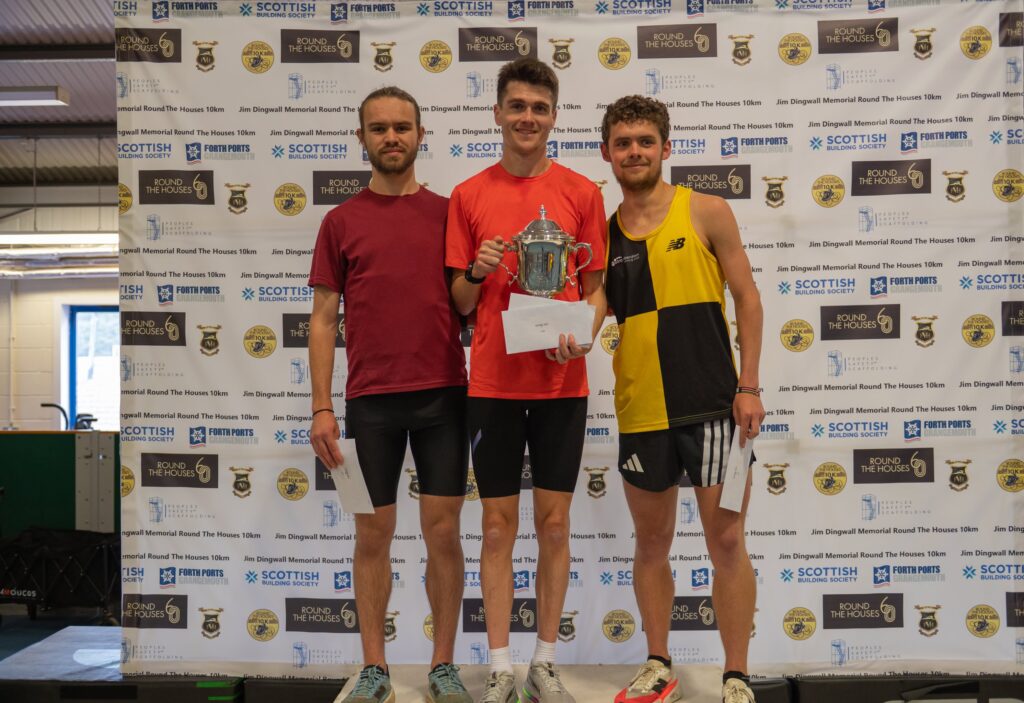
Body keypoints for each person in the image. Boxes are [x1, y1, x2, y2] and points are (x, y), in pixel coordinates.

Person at [445, 58, 607, 703]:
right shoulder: (468, 195)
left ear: (554, 116)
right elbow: (459, 302)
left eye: (539, 108)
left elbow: (595, 290)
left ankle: (544, 660)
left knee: (556, 526)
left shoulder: (582, 192)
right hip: (492, 384)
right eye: (517, 106)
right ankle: (500, 664)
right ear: (497, 113)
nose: (528, 118)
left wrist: (586, 332)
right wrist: (478, 272)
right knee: (495, 528)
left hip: (562, 384)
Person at [599, 95, 765, 703]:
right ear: (607, 153)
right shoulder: (603, 231)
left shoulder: (705, 209)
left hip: (714, 406)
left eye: (645, 141)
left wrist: (749, 385)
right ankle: (658, 662)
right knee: (651, 544)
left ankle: (736, 674)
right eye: (623, 142)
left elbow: (747, 299)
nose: (634, 152)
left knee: (727, 542)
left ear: (666, 148)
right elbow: (593, 309)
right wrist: (562, 338)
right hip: (641, 409)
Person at [308, 86, 472, 703]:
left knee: (443, 534)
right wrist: (322, 407)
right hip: (369, 404)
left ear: (421, 135)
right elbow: (322, 319)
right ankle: (374, 668)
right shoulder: (339, 222)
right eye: (379, 128)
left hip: (444, 399)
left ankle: (443, 665)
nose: (392, 137)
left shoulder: (451, 213)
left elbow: (470, 299)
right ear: (362, 139)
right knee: (371, 536)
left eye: (403, 127)